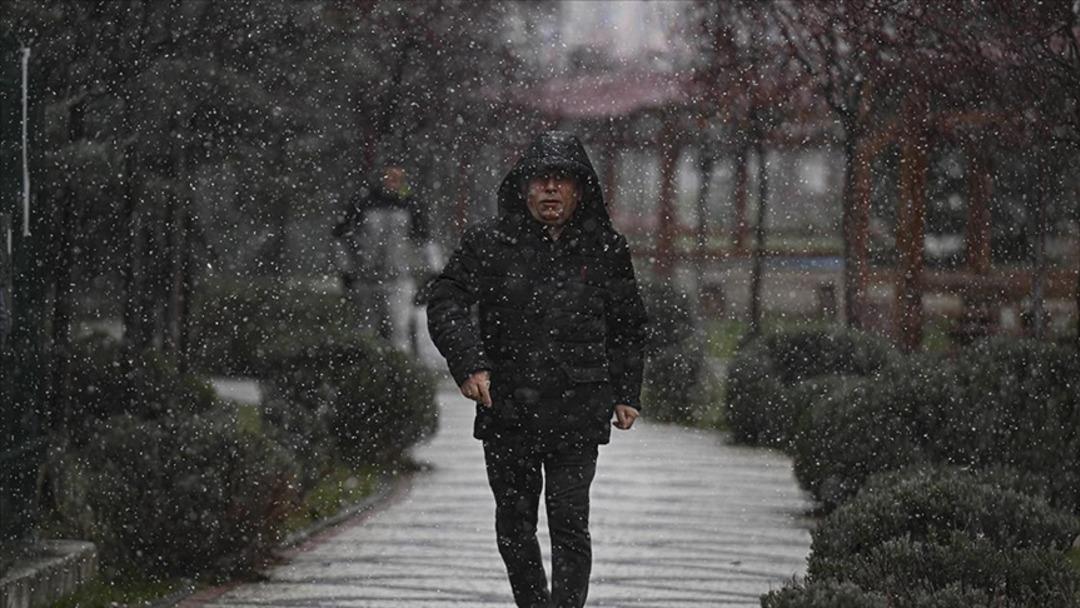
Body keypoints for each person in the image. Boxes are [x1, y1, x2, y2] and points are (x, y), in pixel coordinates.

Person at [427, 131, 647, 607]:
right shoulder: (489, 243)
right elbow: (445, 301)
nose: (550, 189)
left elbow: (628, 323)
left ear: (580, 189)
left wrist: (627, 391)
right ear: (523, 188)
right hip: (507, 408)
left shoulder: (605, 249)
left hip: (578, 409)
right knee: (514, 526)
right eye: (541, 180)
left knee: (570, 524)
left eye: (561, 180)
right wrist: (469, 365)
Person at [333, 165, 433, 352]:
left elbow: (424, 242)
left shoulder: (410, 204)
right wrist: (346, 270)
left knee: (399, 334)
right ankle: (365, 374)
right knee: (363, 335)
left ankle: (401, 374)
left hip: (399, 280)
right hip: (365, 280)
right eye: (389, 176)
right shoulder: (362, 202)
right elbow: (341, 239)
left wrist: (431, 273)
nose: (392, 181)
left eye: (397, 177)